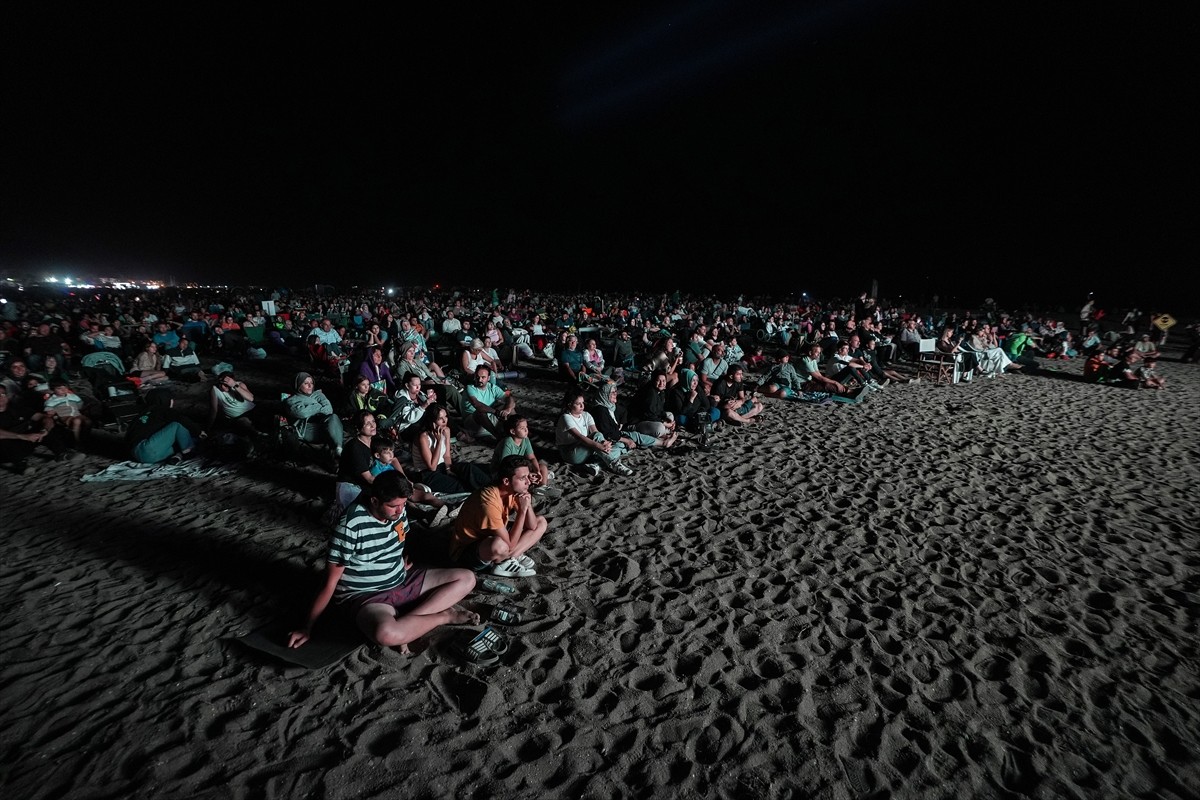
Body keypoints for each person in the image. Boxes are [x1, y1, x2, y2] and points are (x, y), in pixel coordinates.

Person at [287, 471, 479, 653]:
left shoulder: (398, 511)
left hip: (401, 579)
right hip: (366, 596)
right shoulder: (351, 525)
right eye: (394, 506)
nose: (400, 510)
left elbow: (395, 542)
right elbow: (330, 582)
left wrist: (396, 565)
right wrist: (307, 627)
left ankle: (410, 621)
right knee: (386, 633)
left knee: (467, 578)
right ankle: (442, 616)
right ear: (375, 501)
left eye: (403, 504)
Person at [447, 455, 550, 578]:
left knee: (541, 522)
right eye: (523, 478)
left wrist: (527, 504)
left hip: (493, 537)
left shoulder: (511, 490)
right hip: (467, 552)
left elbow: (532, 525)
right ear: (506, 481)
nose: (528, 482)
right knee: (499, 545)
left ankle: (508, 558)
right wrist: (522, 512)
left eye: (528, 477)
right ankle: (503, 561)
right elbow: (510, 544)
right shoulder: (488, 502)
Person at [410, 402, 490, 494]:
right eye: (440, 419)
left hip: (442, 466)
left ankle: (492, 487)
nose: (445, 421)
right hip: (427, 474)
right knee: (460, 486)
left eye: (446, 417)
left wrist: (449, 469)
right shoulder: (423, 437)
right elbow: (432, 467)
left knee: (469, 469)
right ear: (432, 421)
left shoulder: (446, 430)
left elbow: (447, 456)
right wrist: (439, 441)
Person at [555, 387, 635, 476]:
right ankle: (614, 464)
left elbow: (595, 432)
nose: (582, 406)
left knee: (616, 446)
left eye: (583, 403)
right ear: (570, 405)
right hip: (571, 453)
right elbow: (580, 437)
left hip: (586, 448)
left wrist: (604, 443)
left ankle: (596, 465)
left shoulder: (586, 415)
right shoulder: (565, 417)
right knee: (603, 445)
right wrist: (599, 446)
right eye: (578, 404)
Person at [0, 384, 75, 472]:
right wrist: (22, 436)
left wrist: (44, 431)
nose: (0, 397)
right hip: (4, 451)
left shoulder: (17, 408)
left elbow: (44, 418)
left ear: (7, 396)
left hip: (24, 442)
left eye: (2, 394)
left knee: (46, 425)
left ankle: (62, 453)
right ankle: (21, 464)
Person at [126, 387, 204, 464]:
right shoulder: (163, 410)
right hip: (149, 449)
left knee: (178, 443)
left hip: (136, 454)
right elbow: (182, 420)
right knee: (177, 425)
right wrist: (198, 431)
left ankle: (178, 456)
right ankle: (188, 452)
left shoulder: (141, 415)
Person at [284, 372, 344, 468]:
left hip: (326, 426)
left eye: (311, 383)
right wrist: (319, 406)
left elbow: (329, 410)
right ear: (298, 385)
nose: (310, 385)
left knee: (333, 417)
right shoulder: (291, 400)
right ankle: (336, 458)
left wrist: (310, 408)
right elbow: (302, 413)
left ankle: (338, 450)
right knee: (333, 430)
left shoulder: (319, 395)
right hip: (307, 430)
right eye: (306, 383)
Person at [491, 414, 551, 490]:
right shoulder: (507, 443)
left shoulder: (525, 440)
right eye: (522, 428)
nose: (526, 430)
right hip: (504, 471)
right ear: (513, 431)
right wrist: (527, 474)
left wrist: (537, 471)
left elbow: (532, 457)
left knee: (542, 467)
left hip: (519, 468)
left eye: (526, 427)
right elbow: (506, 466)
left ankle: (542, 487)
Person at [464, 364, 516, 440]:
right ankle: (498, 437)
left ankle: (516, 429)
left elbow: (510, 398)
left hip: (488, 421)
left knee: (509, 407)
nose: (479, 380)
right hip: (473, 424)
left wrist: (507, 410)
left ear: (488, 378)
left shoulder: (492, 387)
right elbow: (477, 405)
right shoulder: (470, 388)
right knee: (479, 412)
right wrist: (496, 412)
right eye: (477, 377)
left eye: (483, 377)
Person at [43, 379, 91, 446]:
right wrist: (53, 414)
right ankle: (77, 441)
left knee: (87, 421)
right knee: (77, 421)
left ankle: (85, 438)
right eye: (59, 388)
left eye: (65, 387)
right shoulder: (51, 400)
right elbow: (48, 411)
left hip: (77, 414)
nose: (63, 390)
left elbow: (80, 405)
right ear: (53, 390)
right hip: (64, 416)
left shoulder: (73, 396)